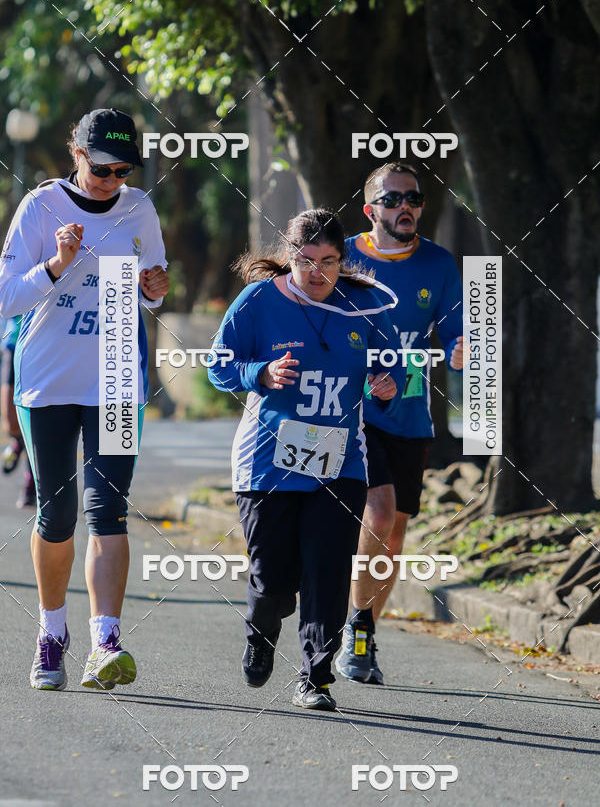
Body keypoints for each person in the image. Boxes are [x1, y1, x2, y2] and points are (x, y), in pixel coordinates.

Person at [0, 108, 169, 691]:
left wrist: (155, 290)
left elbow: (150, 288)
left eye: (123, 169)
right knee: (57, 516)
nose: (112, 178)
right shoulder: (41, 207)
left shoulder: (139, 208)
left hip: (118, 378)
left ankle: (105, 642)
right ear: (77, 154)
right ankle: (51, 633)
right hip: (48, 382)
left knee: (109, 513)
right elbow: (4, 298)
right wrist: (55, 265)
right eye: (102, 166)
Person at [208, 209, 404, 710]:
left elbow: (395, 369)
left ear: (343, 260)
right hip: (268, 462)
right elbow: (219, 366)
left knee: (328, 570)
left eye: (330, 261)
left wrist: (386, 387)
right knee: (274, 580)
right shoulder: (258, 302)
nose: (318, 273)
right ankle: (261, 631)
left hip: (340, 463)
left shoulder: (363, 307)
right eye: (306, 260)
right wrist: (261, 373)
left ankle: (315, 676)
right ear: (290, 256)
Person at [335, 161, 463, 685]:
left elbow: (456, 329)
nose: (405, 206)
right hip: (349, 410)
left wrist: (460, 349)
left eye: (413, 198)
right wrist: (361, 375)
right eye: (393, 200)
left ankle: (361, 631)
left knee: (394, 533)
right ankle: (350, 624)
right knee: (379, 513)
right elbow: (315, 323)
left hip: (410, 410)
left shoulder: (438, 262)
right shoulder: (340, 255)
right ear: (370, 211)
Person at [1, 315, 36, 508]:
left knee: (35, 420)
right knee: (10, 423)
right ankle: (19, 441)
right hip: (13, 343)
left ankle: (30, 484)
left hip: (39, 344)